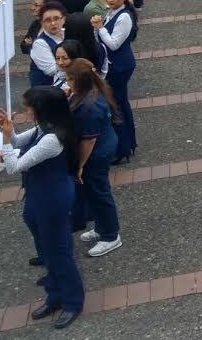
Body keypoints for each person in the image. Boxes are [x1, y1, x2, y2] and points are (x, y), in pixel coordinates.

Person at [0, 85, 84, 329]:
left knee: (58, 251)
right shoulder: (43, 128)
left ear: (42, 109)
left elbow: (14, 166)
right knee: (45, 245)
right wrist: (9, 131)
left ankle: (71, 300)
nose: (26, 111)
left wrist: (5, 143)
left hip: (51, 197)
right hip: (39, 193)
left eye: (29, 107)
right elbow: (18, 142)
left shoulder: (52, 139)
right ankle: (55, 293)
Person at [65, 58, 122, 258]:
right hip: (104, 145)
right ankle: (101, 226)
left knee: (99, 192)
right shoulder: (91, 93)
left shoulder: (88, 106)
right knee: (95, 191)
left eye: (70, 79)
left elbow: (88, 141)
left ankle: (110, 235)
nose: (67, 83)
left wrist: (80, 165)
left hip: (97, 153)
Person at [90, 0, 137, 165]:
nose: (110, 0)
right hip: (113, 64)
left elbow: (113, 44)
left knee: (115, 106)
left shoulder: (124, 16)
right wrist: (97, 28)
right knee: (120, 103)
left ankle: (122, 148)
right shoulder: (112, 12)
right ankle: (127, 144)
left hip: (119, 66)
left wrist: (100, 27)